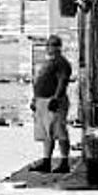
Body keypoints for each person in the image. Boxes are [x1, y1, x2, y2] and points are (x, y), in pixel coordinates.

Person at [30, 34, 72, 173]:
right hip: (43, 101)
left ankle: (64, 162)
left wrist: (56, 98)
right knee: (47, 134)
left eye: (53, 45)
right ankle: (46, 161)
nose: (49, 48)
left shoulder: (61, 63)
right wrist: (35, 99)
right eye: (48, 45)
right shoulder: (49, 62)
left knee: (59, 132)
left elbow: (62, 81)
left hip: (53, 101)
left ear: (59, 47)